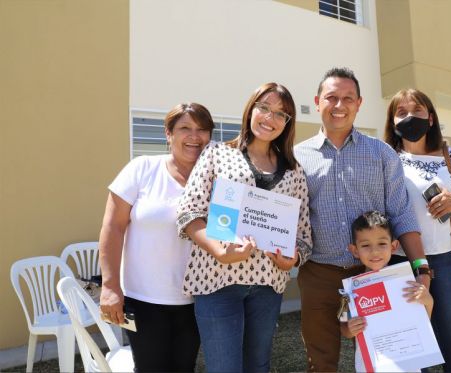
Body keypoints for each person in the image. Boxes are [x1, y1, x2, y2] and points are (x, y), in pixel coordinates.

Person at [294, 67, 430, 372]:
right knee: (321, 359)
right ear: (318, 101)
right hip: (319, 274)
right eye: (331, 97)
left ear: (359, 103)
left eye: (348, 98)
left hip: (375, 273)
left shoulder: (382, 154)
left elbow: (402, 213)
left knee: (384, 361)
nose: (339, 105)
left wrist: (422, 270)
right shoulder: (297, 158)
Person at [176, 82, 312, 373]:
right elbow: (189, 212)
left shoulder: (294, 170)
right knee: (224, 367)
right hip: (217, 280)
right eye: (264, 107)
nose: (270, 118)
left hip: (267, 285)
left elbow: (302, 234)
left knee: (257, 366)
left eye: (281, 114)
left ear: (287, 124)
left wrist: (294, 258)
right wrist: (219, 251)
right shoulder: (216, 153)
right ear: (251, 109)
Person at [98, 103, 214, 372]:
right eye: (185, 128)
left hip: (197, 300)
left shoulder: (217, 180)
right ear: (168, 134)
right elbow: (112, 227)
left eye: (202, 130)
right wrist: (111, 286)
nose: (194, 137)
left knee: (184, 368)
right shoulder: (142, 169)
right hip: (144, 300)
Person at [384, 88, 451, 372]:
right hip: (401, 263)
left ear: (431, 117)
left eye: (417, 111)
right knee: (413, 352)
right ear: (392, 121)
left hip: (448, 263)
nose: (410, 117)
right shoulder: (387, 158)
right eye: (401, 113)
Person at [340, 211, 434, 372]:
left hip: (407, 364)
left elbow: (423, 320)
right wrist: (349, 329)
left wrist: (428, 300)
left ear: (393, 246)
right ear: (354, 250)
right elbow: (342, 324)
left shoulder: (405, 281)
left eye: (382, 244)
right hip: (371, 365)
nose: (374, 252)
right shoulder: (349, 290)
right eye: (365, 245)